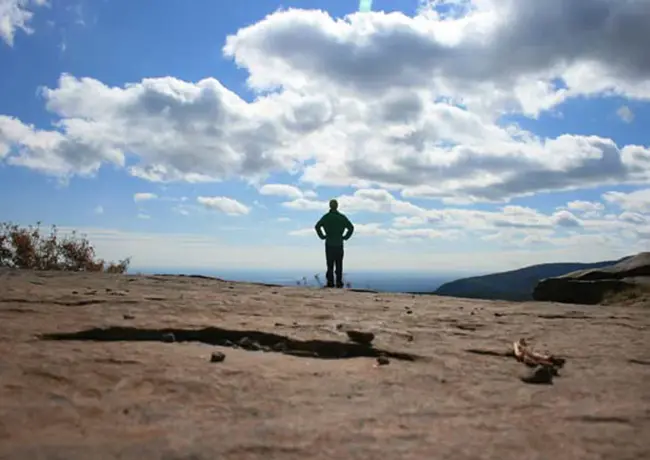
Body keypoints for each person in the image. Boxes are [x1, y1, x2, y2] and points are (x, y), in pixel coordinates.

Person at [314, 199, 354, 288]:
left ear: (330, 206)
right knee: (339, 264)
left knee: (330, 264)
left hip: (329, 243)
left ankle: (330, 283)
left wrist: (322, 236)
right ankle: (339, 283)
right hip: (339, 243)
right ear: (337, 206)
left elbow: (317, 226)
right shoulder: (341, 217)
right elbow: (351, 227)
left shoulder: (326, 217)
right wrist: (345, 237)